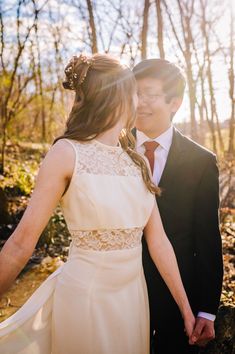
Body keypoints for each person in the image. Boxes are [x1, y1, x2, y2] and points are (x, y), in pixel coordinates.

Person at [0, 53, 195, 354]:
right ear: (115, 95)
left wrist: (185, 308)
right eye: (133, 91)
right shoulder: (66, 153)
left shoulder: (137, 161)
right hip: (85, 299)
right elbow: (20, 244)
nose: (138, 101)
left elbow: (159, 243)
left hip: (133, 299)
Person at [132, 58, 223, 354]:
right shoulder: (112, 148)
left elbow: (208, 239)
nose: (139, 102)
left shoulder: (201, 162)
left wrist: (207, 310)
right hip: (120, 289)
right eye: (134, 93)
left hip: (178, 295)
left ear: (175, 103)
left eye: (149, 94)